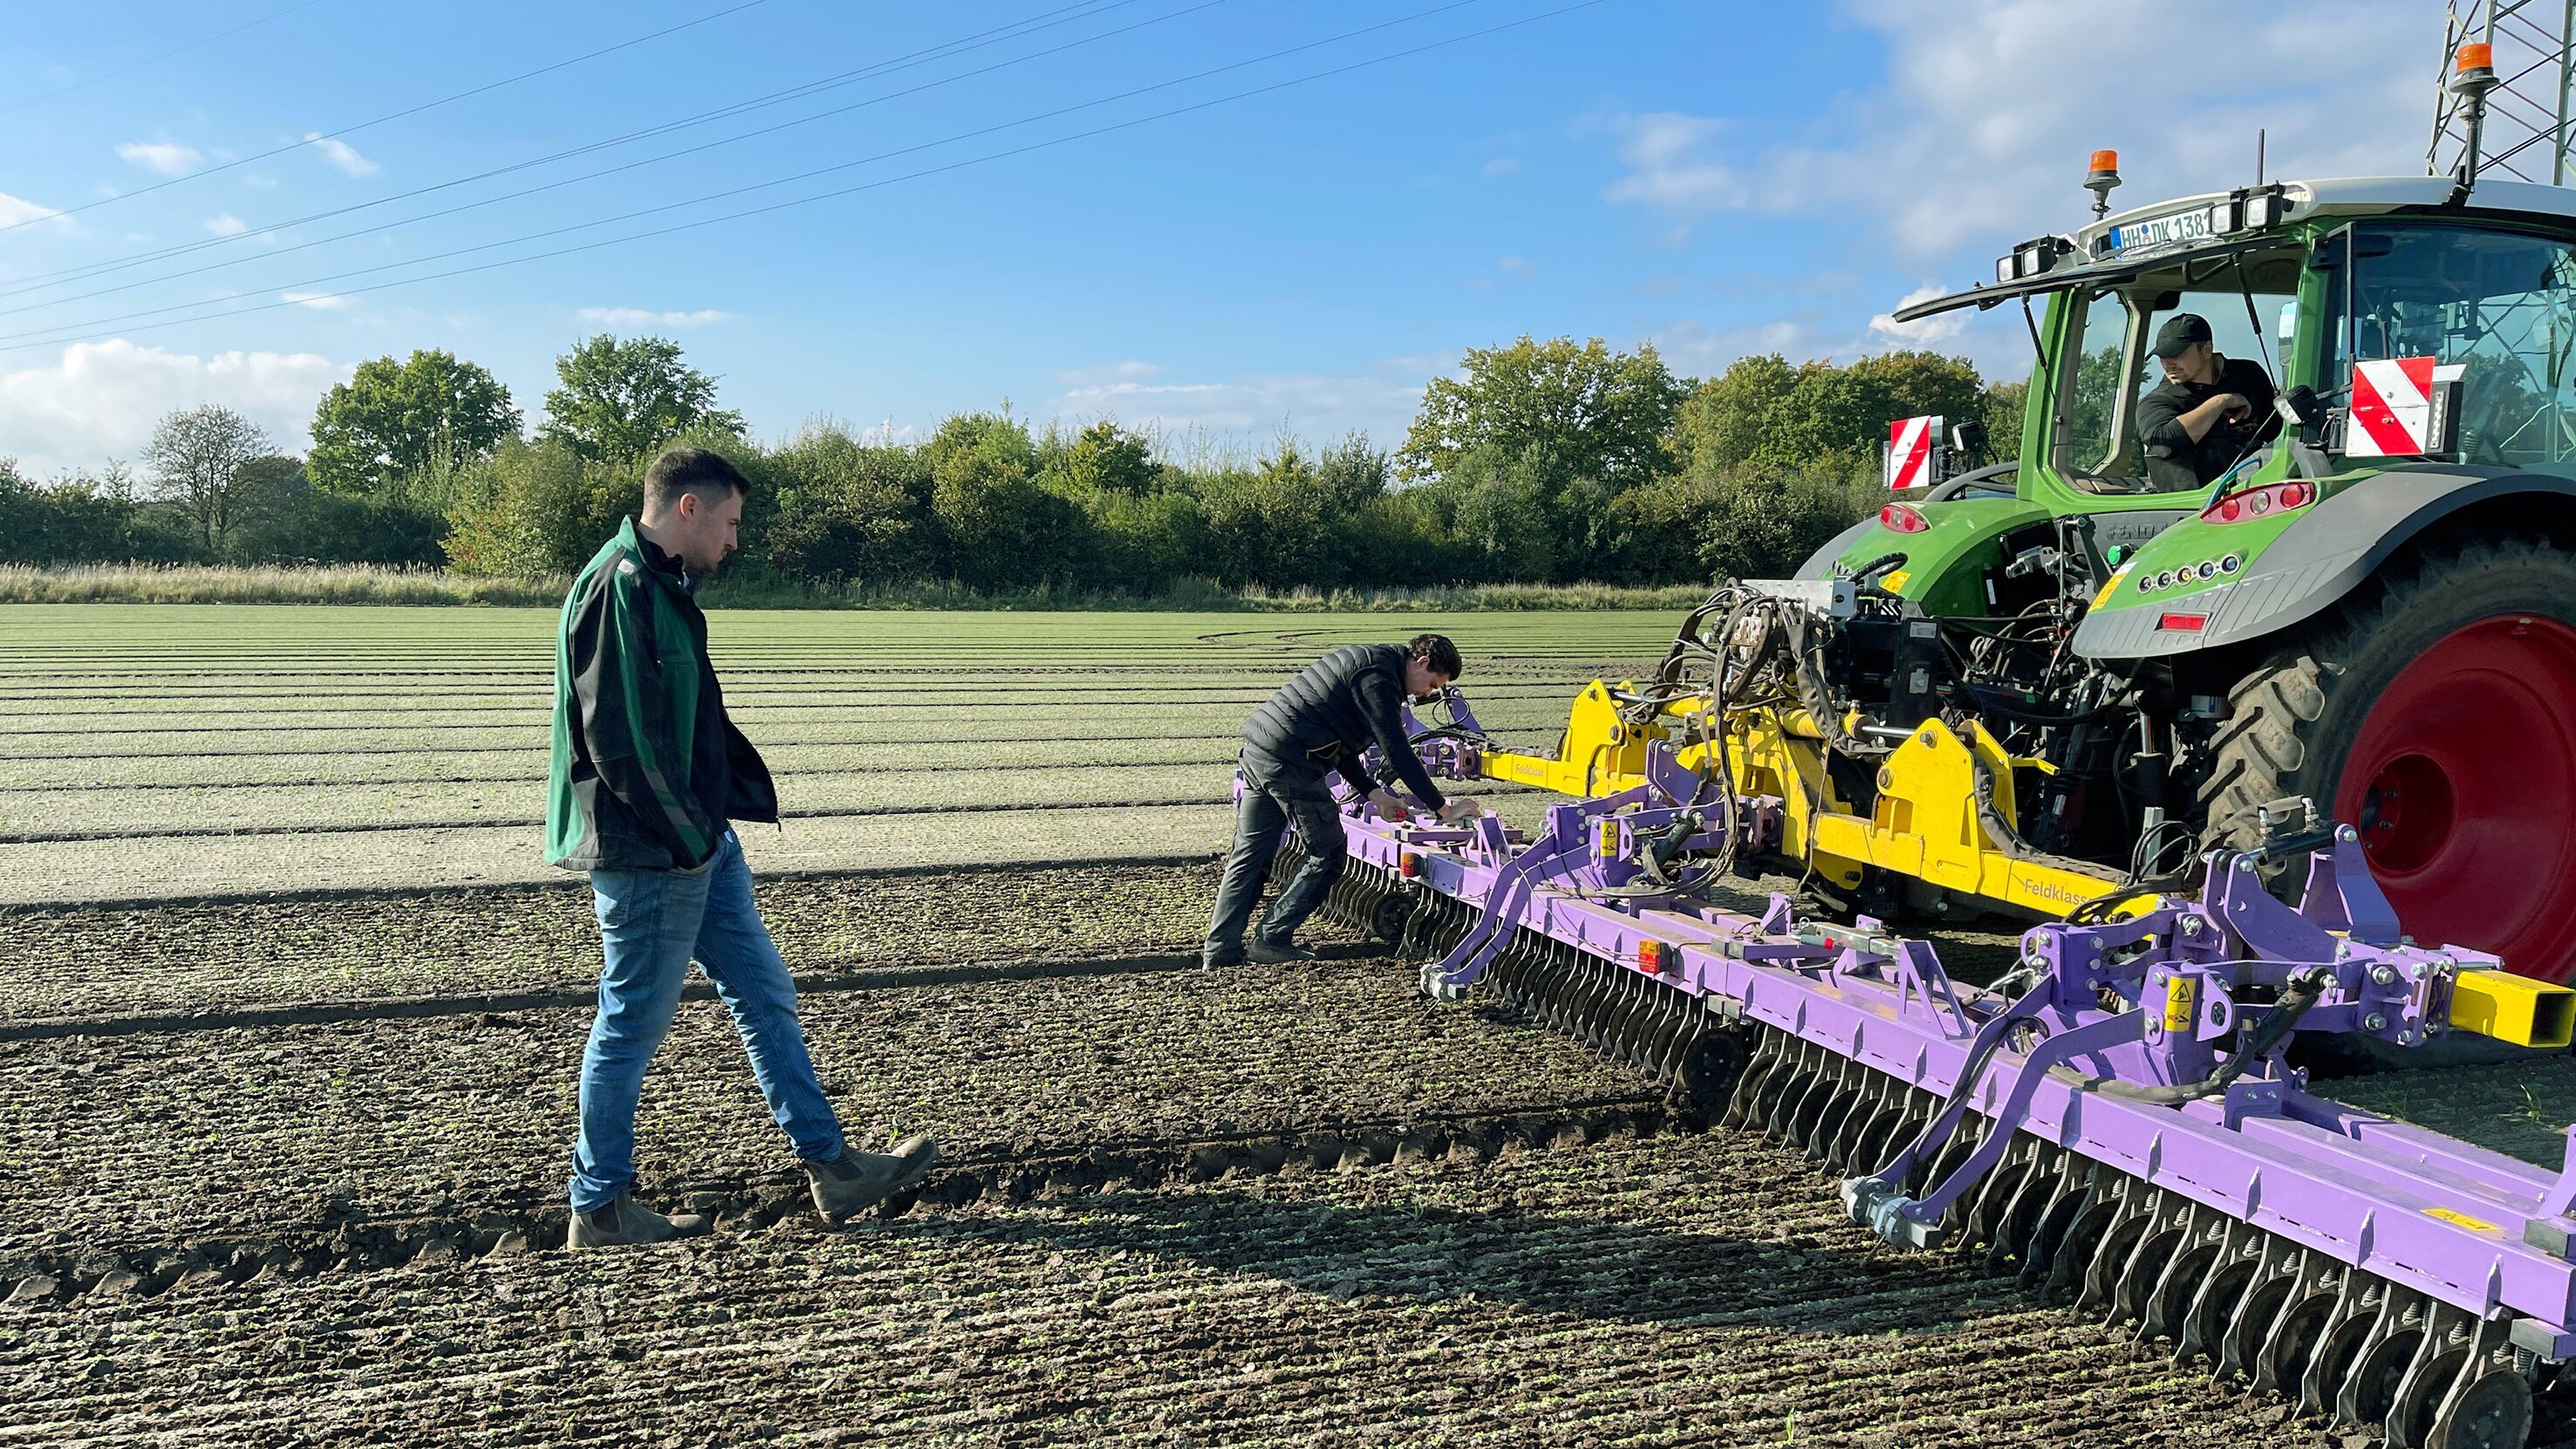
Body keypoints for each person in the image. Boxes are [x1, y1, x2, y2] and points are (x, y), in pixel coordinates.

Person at [547, 446, 938, 1249]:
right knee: (629, 1025)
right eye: (729, 522)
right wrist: (690, 838)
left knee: (764, 992)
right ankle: (600, 1205)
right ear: (688, 508)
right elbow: (619, 740)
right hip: (655, 852)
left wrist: (711, 829)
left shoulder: (661, 585)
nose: (734, 539)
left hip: (699, 842)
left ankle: (833, 1166)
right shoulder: (621, 586)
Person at [1203, 634, 1479, 968]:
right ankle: (1271, 939)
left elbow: (1338, 746)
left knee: (1251, 856)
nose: (1428, 693)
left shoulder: (1373, 664)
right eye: (1433, 684)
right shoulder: (1379, 680)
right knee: (1329, 852)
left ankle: (1220, 953)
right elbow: (1398, 751)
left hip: (1262, 749)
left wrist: (1375, 793)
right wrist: (1444, 809)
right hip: (1292, 761)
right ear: (1422, 662)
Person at [2135, 312, 2279, 490]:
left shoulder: (2249, 375)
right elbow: (2164, 444)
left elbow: (2277, 432)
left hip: (2256, 491)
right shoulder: (2158, 401)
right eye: (2163, 357)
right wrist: (2220, 402)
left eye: (2178, 354)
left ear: (2206, 349)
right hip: (2195, 503)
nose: (2169, 364)